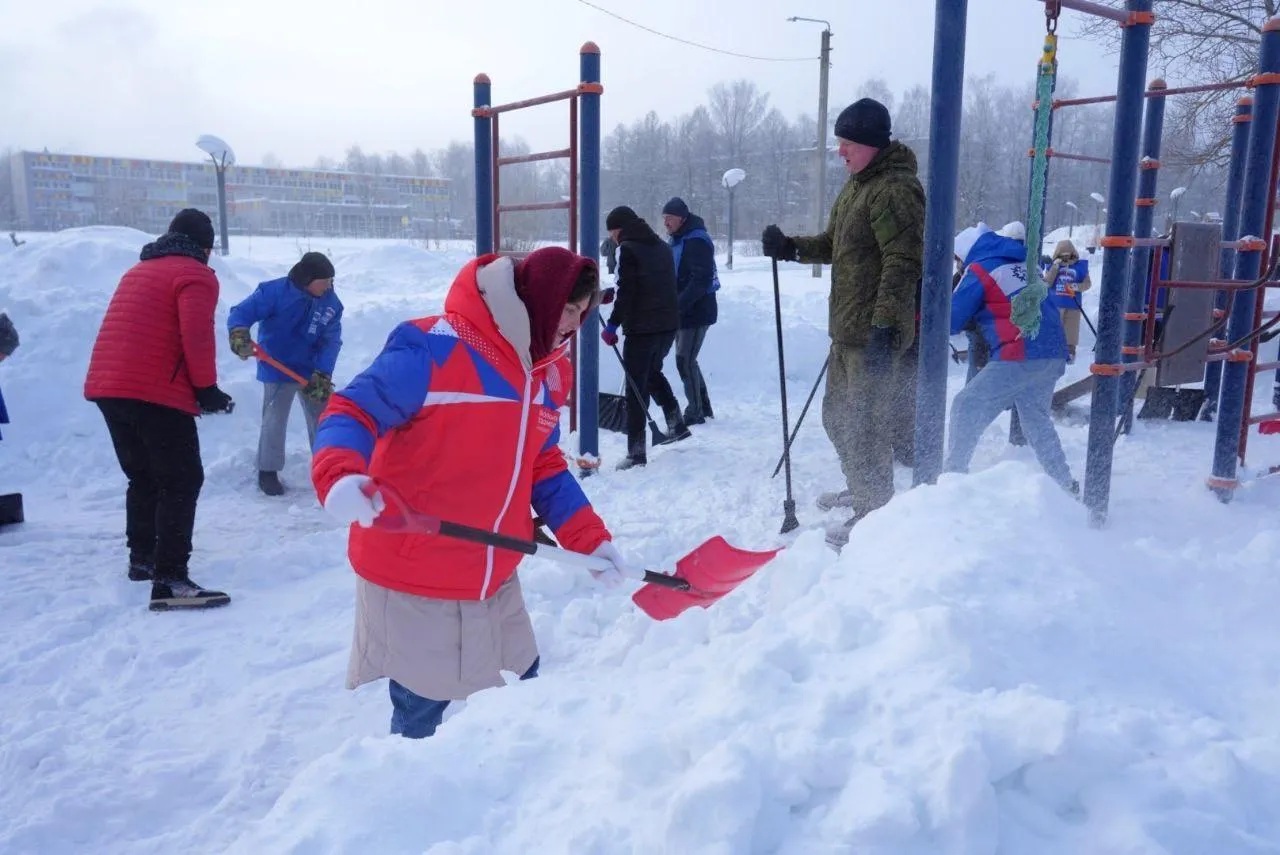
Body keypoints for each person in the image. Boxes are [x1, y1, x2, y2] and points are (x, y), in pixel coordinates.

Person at [310, 246, 640, 739]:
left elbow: (543, 463)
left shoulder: (550, 373)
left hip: (493, 568)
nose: (573, 324)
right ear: (540, 299)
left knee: (524, 688)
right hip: (416, 568)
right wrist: (338, 473)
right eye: (568, 308)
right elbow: (353, 410)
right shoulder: (434, 347)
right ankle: (399, 799)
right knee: (421, 712)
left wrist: (587, 538)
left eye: (582, 312)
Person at [760, 97, 925, 547]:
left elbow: (902, 260)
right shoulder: (857, 186)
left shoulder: (893, 189)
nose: (841, 152)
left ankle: (875, 515)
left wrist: (885, 326)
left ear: (872, 144)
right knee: (837, 417)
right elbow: (836, 244)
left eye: (848, 143)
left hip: (873, 334)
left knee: (867, 425)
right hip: (847, 331)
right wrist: (789, 247)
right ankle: (864, 487)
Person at [83, 209, 234, 611]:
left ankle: (142, 560)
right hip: (153, 391)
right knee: (182, 480)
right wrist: (207, 390)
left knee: (144, 476)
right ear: (205, 247)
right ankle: (170, 579)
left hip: (108, 386)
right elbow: (196, 335)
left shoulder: (139, 271)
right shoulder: (195, 274)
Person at [947, 223, 1077, 493]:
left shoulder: (980, 268)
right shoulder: (1025, 265)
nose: (958, 265)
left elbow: (951, 319)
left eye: (958, 259)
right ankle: (1065, 484)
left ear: (964, 253)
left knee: (966, 405)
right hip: (1053, 352)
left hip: (1019, 352)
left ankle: (952, 480)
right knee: (1037, 420)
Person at [227, 252, 344, 496]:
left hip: (311, 370)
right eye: (325, 281)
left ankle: (328, 467)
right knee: (274, 418)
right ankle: (267, 471)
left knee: (322, 418)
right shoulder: (275, 292)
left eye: (331, 281)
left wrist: (322, 373)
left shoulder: (331, 303)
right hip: (276, 364)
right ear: (308, 279)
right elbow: (242, 313)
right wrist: (239, 333)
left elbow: (331, 341)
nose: (330, 286)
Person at [601, 205, 692, 469]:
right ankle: (675, 422)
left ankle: (636, 452)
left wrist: (613, 324)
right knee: (651, 372)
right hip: (667, 324)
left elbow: (627, 292)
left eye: (612, 233)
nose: (612, 238)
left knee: (635, 385)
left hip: (642, 327)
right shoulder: (660, 246)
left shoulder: (627, 249)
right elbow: (649, 283)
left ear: (619, 229)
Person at [661, 196, 718, 425]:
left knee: (684, 359)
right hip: (683, 310)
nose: (666, 223)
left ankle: (695, 412)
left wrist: (678, 305)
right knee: (688, 360)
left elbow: (700, 280)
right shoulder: (677, 239)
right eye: (664, 218)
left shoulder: (696, 240)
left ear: (682, 218)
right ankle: (703, 407)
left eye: (670, 218)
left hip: (696, 311)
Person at [1045, 238, 1092, 363]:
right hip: (1055, 304)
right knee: (1055, 328)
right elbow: (1047, 283)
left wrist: (1077, 287)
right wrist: (1055, 267)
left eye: (1068, 255)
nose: (1065, 258)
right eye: (1062, 255)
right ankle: (1052, 351)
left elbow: (1087, 283)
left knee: (1071, 330)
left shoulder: (1080, 267)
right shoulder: (1052, 267)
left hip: (1073, 304)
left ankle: (1070, 352)